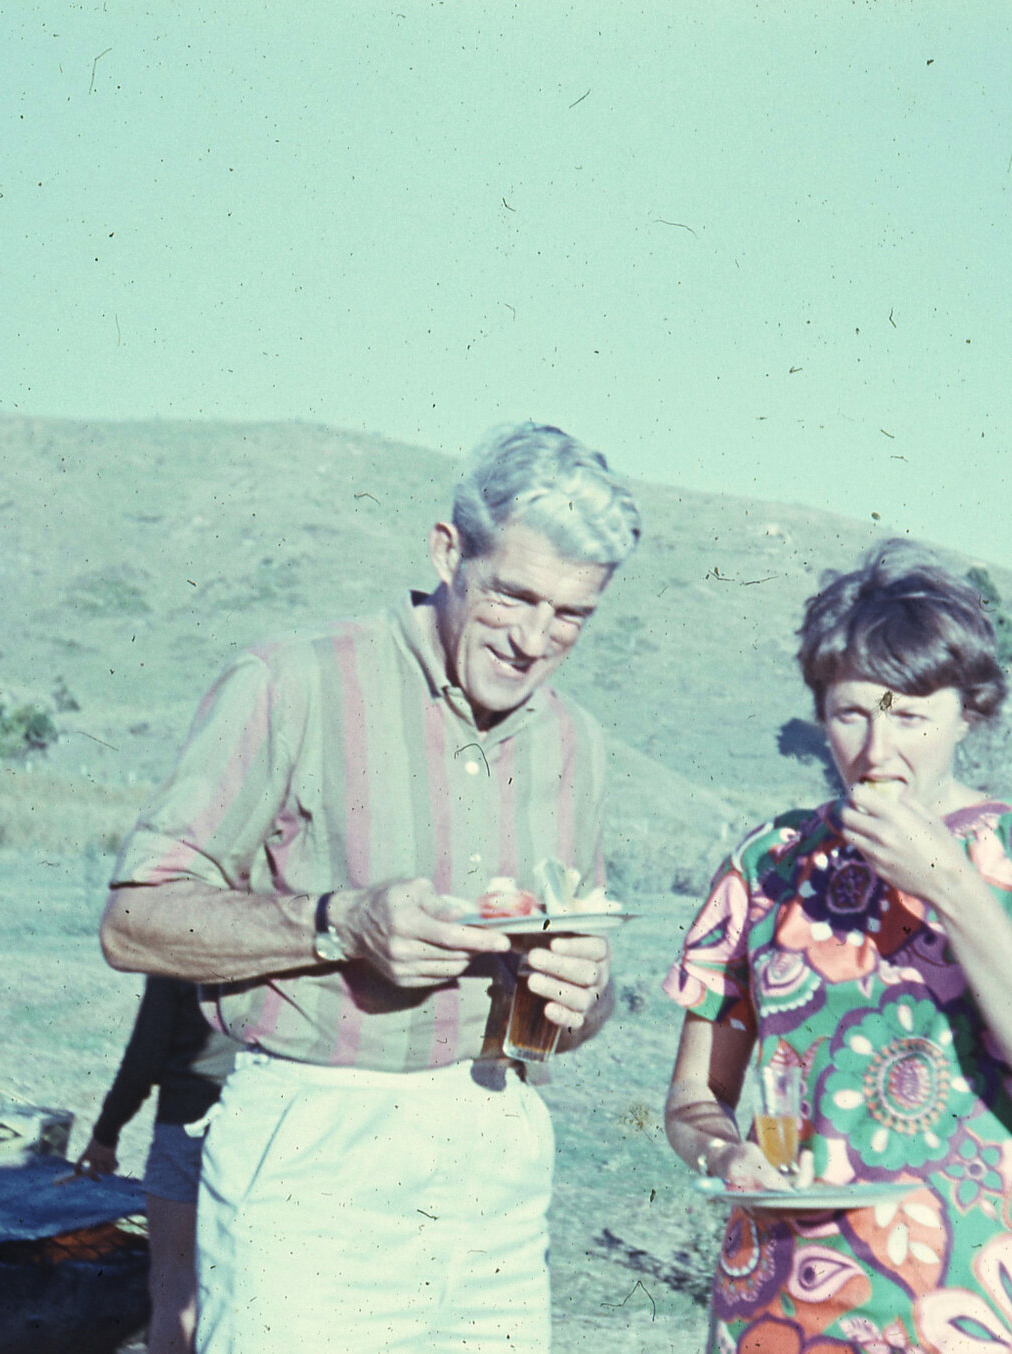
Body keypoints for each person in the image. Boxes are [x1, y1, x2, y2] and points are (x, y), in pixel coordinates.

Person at [100, 422, 641, 1353]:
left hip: (497, 1153)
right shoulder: (293, 682)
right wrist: (339, 924)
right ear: (445, 552)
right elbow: (135, 921)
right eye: (513, 596)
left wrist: (579, 999)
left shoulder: (575, 744)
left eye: (571, 617)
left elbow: (564, 1016)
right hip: (315, 1152)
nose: (534, 642)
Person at [663, 541, 1012, 1354]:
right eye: (852, 715)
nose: (878, 753)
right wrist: (727, 1152)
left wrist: (951, 886)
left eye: (911, 716)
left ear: (971, 713)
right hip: (775, 1320)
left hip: (967, 1322)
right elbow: (692, 1099)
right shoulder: (767, 863)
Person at [73, 976, 243, 1354]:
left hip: (184, 1126)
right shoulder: (280, 936)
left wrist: (106, 1133)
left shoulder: (175, 946)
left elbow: (143, 1058)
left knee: (173, 1280)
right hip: (261, 1127)